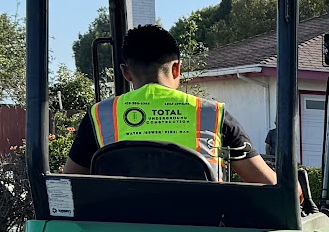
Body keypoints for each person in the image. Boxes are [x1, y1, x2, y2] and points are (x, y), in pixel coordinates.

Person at [64, 25, 275, 184]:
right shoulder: (212, 115)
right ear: (177, 69)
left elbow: (70, 182)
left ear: (126, 72)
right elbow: (267, 183)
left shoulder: (100, 116)